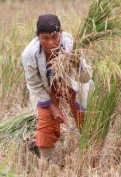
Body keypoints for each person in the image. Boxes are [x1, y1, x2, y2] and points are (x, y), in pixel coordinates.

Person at [21, 14, 94, 161]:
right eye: (45, 38)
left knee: (84, 116)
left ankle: (90, 151)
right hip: (46, 88)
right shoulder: (29, 55)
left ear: (61, 33)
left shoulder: (70, 44)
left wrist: (77, 61)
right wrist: (53, 109)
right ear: (38, 37)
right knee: (46, 118)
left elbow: (86, 78)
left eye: (55, 37)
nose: (50, 42)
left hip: (69, 82)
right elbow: (34, 85)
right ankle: (45, 163)